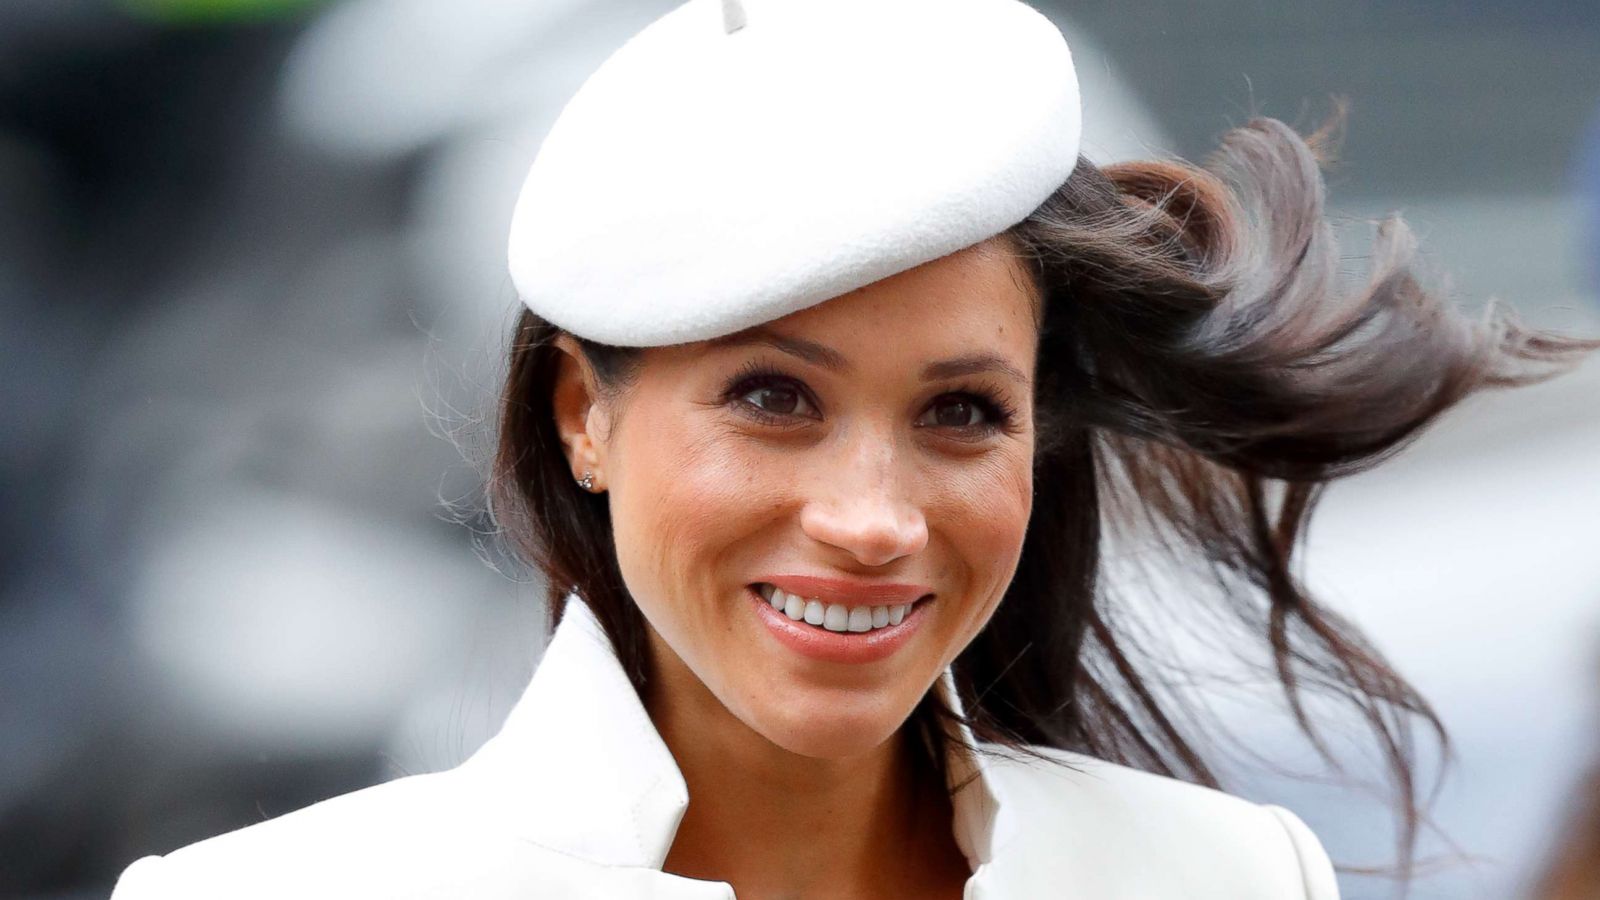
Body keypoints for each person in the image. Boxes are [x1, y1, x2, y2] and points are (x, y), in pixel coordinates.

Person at [109, 0, 1600, 897]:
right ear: (585, 414)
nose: (873, 518)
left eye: (961, 412)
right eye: (774, 399)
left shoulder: (1230, 877)